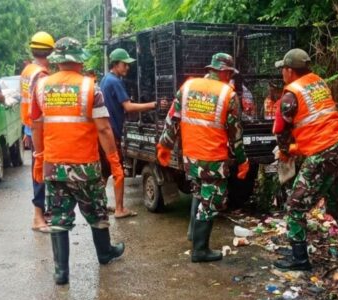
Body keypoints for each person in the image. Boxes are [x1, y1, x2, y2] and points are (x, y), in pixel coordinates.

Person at [31, 38, 125, 285]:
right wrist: (114, 161)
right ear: (79, 60)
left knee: (59, 217)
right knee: (96, 211)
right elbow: (104, 129)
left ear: (57, 61)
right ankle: (104, 253)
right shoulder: (90, 88)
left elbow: (36, 126)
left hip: (54, 165)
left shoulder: (40, 87)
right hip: (86, 167)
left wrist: (39, 158)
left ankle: (61, 272)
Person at [271, 48, 338, 271]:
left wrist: (285, 151)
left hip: (323, 152)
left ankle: (300, 259)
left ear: (289, 70)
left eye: (282, 70)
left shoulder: (290, 94)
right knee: (336, 201)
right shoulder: (317, 83)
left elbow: (281, 129)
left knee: (294, 206)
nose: (282, 74)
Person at [156, 53, 250, 263]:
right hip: (213, 158)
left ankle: (193, 235)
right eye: (229, 74)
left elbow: (172, 120)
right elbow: (235, 134)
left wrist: (165, 145)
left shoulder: (187, 87)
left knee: (199, 193)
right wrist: (242, 160)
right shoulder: (228, 94)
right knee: (212, 202)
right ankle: (200, 250)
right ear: (225, 72)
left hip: (191, 158)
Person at [100, 48, 158, 219]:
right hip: (111, 134)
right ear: (115, 64)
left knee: (104, 172)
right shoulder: (115, 82)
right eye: (124, 64)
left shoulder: (105, 80)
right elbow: (128, 107)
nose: (127, 68)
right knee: (118, 172)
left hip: (105, 133)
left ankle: (100, 206)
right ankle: (119, 209)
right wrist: (153, 105)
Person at [21, 31, 54, 233]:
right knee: (41, 172)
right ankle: (38, 217)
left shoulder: (27, 70)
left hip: (31, 128)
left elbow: (27, 103)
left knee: (39, 170)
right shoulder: (41, 75)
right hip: (39, 131)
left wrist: (26, 130)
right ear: (51, 51)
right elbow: (41, 109)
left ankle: (43, 214)